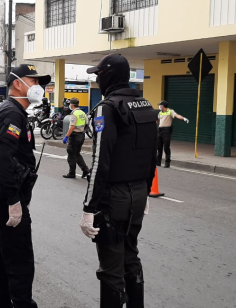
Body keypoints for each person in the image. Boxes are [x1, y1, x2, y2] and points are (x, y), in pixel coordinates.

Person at [80, 54, 159, 308]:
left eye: (99, 75)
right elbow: (151, 154)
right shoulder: (146, 105)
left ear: (109, 76)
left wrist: (88, 209)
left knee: (111, 266)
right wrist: (146, 190)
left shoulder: (108, 108)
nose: (97, 80)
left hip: (114, 198)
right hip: (137, 195)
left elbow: (100, 161)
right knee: (131, 257)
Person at [0, 64, 50, 308]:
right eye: (32, 81)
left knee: (3, 257)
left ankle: (0, 303)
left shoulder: (16, 112)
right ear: (17, 84)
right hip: (7, 196)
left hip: (4, 193)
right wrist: (14, 201)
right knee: (21, 260)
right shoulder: (12, 112)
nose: (38, 87)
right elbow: (2, 160)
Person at [62, 97, 90, 179]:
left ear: (72, 105)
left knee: (71, 154)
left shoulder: (74, 114)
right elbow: (86, 124)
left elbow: (72, 127)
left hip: (74, 136)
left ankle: (72, 173)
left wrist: (66, 136)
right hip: (81, 136)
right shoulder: (82, 113)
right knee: (76, 154)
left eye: (70, 104)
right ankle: (86, 170)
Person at [157, 100, 189, 168]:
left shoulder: (170, 111)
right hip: (160, 130)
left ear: (163, 106)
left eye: (160, 105)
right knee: (159, 147)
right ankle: (158, 162)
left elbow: (177, 115)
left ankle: (167, 163)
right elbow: (157, 121)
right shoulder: (160, 113)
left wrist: (183, 118)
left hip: (166, 131)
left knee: (166, 147)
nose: (159, 106)